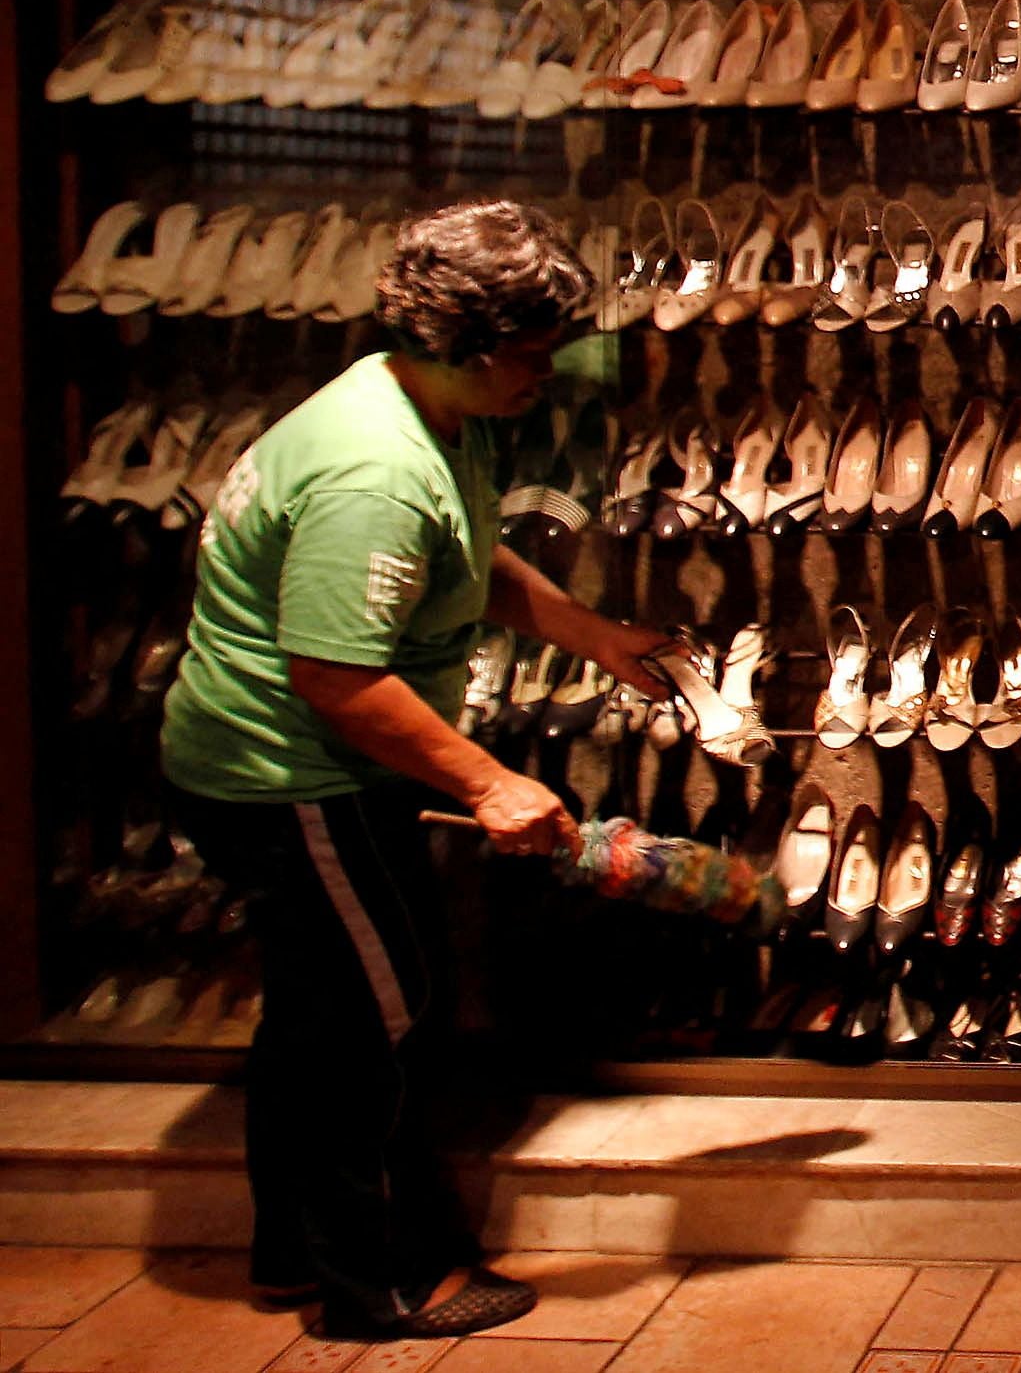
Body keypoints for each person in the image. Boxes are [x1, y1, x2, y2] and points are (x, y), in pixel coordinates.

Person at [159, 198, 673, 1342]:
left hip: (299, 766)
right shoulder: (370, 472)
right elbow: (336, 677)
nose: (551, 372)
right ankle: (383, 1279)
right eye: (536, 352)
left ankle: (293, 1249)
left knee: (317, 1008)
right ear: (471, 344)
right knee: (378, 1019)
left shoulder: (428, 407)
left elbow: (456, 551)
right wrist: (490, 780)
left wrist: (588, 632)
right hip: (293, 776)